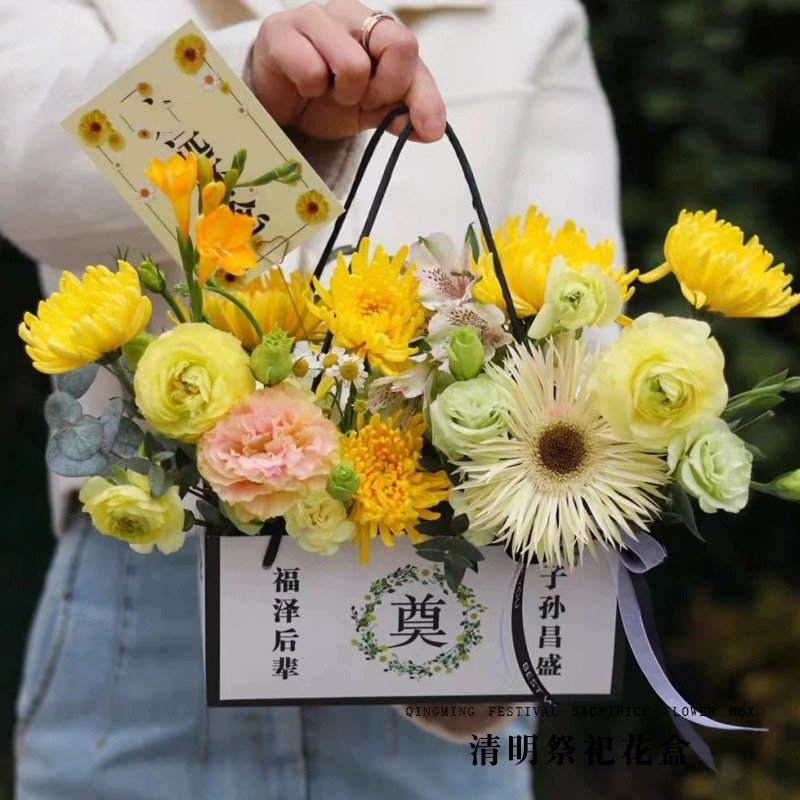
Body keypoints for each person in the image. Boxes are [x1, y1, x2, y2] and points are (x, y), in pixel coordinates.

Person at [0, 0, 623, 797]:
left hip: (432, 596)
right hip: (149, 593)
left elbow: (585, 332)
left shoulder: (525, 15)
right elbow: (23, 169)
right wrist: (246, 95)